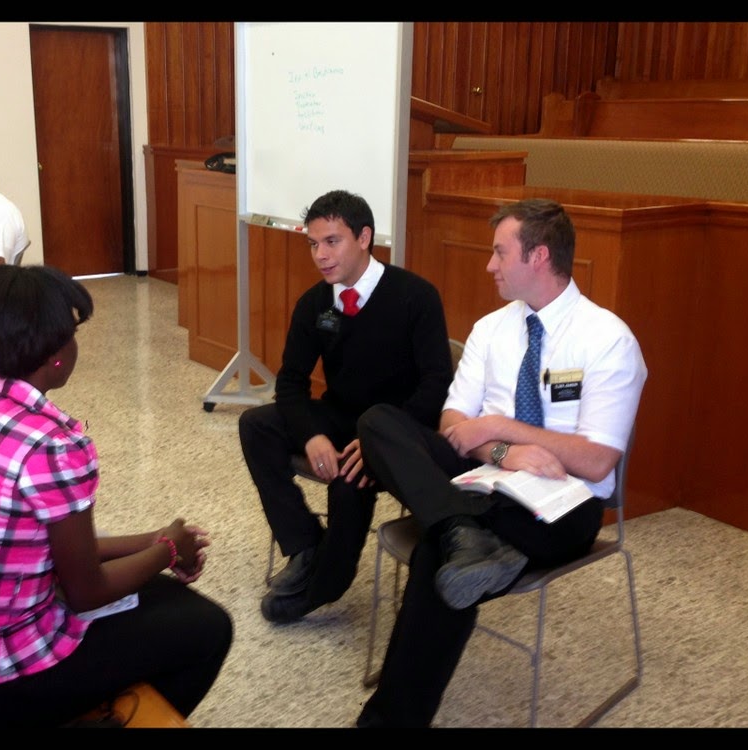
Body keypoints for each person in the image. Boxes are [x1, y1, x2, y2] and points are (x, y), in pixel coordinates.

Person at [354, 198, 647, 727]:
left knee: (439, 556)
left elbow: (597, 460)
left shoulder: (608, 340)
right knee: (377, 421)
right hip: (480, 478)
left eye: (500, 253)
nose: (489, 265)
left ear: (539, 256)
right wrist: (502, 452)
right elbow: (452, 422)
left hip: (563, 502)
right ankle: (462, 530)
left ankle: (389, 721)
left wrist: (500, 427)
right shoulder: (491, 328)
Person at [0, 264, 232, 727]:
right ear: (55, 355)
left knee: (158, 596)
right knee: (208, 627)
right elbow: (86, 592)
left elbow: (38, 548)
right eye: (72, 334)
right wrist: (169, 550)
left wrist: (151, 540)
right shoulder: (53, 445)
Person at [238, 189, 453, 624]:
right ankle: (305, 545)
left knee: (348, 479)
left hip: (398, 428)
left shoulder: (416, 296)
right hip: (341, 415)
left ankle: (326, 584)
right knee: (255, 425)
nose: (320, 255)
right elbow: (291, 383)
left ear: (364, 238)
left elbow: (437, 385)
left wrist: (377, 443)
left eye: (332, 241)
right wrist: (312, 436)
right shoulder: (315, 303)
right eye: (313, 244)